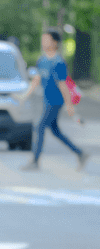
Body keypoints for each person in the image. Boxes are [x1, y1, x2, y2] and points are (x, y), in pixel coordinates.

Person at [18, 28, 87, 170]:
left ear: (55, 43)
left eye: (47, 39)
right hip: (46, 100)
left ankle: (35, 161)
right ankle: (80, 153)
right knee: (56, 131)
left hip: (55, 102)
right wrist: (24, 95)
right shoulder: (42, 60)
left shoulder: (58, 62)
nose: (44, 42)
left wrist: (69, 105)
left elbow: (63, 85)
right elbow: (36, 80)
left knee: (40, 127)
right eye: (43, 39)